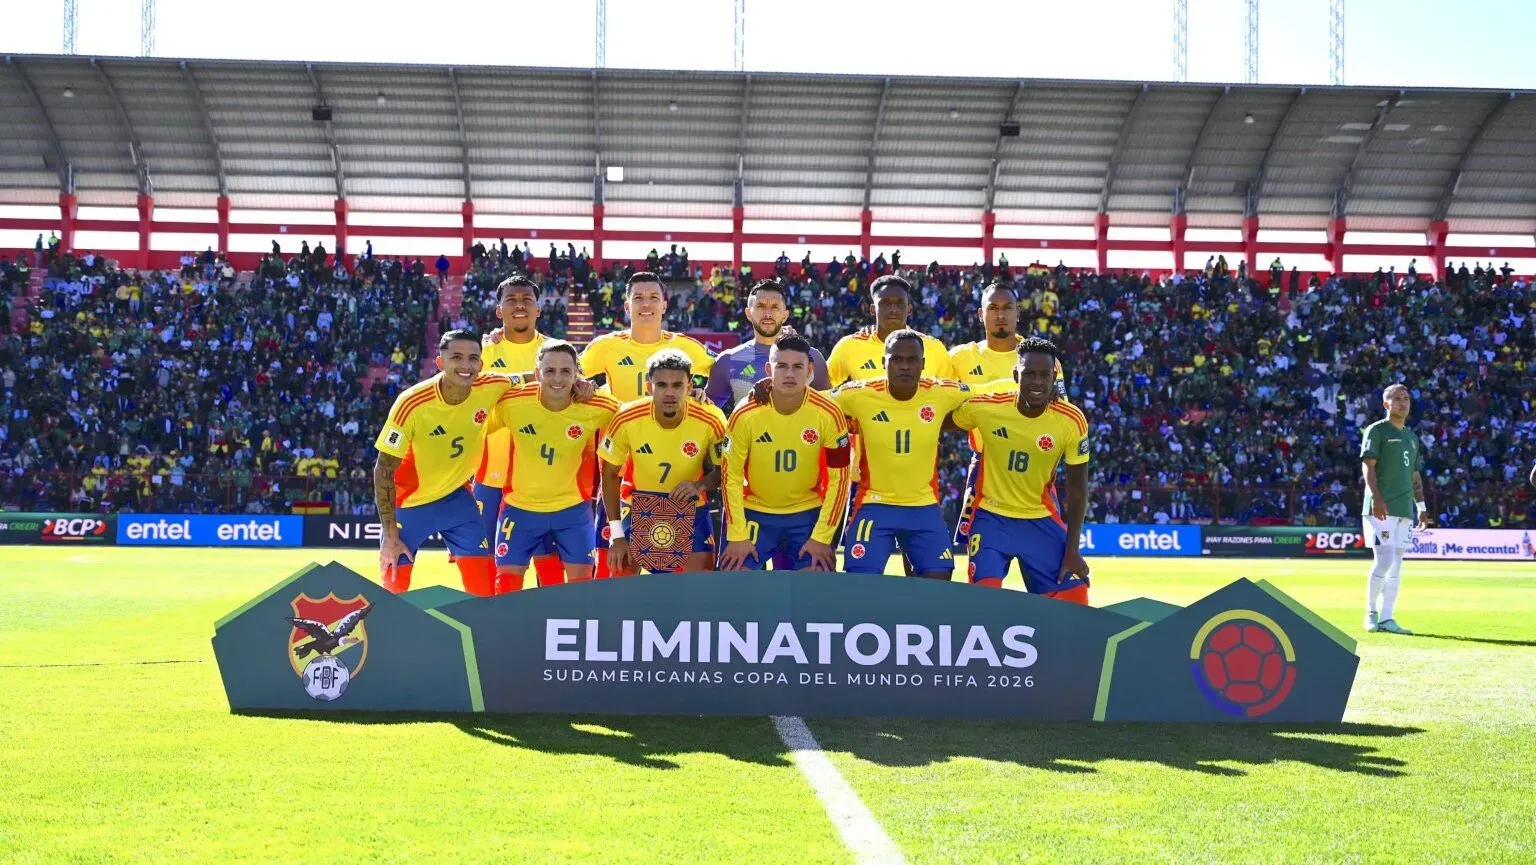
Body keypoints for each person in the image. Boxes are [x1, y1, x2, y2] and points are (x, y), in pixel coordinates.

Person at [579, 271, 715, 576]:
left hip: (673, 468)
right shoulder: (606, 346)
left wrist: (706, 392)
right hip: (621, 469)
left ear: (665, 305)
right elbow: (566, 373)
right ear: (626, 306)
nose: (646, 304)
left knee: (678, 575)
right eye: (638, 297)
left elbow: (719, 371)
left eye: (653, 297)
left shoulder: (686, 347)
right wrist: (584, 385)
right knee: (615, 568)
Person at [372, 330, 522, 597]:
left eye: (473, 358)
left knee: (484, 589)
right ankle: (388, 637)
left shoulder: (491, 385)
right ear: (440, 362)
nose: (465, 365)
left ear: (481, 364)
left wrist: (580, 383)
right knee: (394, 585)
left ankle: (485, 637)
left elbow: (535, 377)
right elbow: (383, 470)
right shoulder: (412, 403)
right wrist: (390, 536)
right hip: (410, 502)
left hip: (457, 499)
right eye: (456, 357)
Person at [950, 337, 1092, 604]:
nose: (1037, 381)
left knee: (1077, 602)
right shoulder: (986, 407)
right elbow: (938, 421)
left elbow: (1078, 489)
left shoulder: (1071, 421)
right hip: (991, 518)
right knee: (983, 602)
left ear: (1054, 376)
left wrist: (1072, 550)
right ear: (1016, 375)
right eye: (1029, 374)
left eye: (1045, 374)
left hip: (1039, 520)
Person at [830, 330, 969, 579]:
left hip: (922, 505)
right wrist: (769, 388)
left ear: (923, 364)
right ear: (884, 362)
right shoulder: (859, 394)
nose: (904, 366)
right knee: (860, 582)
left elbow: (987, 392)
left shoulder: (942, 392)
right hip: (875, 503)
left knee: (940, 583)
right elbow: (814, 400)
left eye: (912, 359)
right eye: (896, 359)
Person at [491, 341, 621, 592]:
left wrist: (694, 397)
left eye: (565, 371)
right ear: (537, 373)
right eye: (549, 371)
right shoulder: (512, 404)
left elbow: (636, 419)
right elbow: (475, 417)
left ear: (577, 375)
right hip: (520, 509)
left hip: (572, 511)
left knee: (581, 591)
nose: (557, 379)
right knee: (505, 590)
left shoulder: (597, 405)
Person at [718, 334, 851, 571]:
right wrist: (737, 534)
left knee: (816, 587)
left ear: (810, 370)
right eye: (782, 366)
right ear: (769, 369)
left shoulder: (830, 414)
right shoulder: (744, 414)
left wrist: (822, 537)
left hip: (806, 513)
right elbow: (731, 477)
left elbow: (839, 479)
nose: (789, 374)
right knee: (734, 584)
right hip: (756, 512)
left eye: (797, 367)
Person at [600, 350, 728, 575]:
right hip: (639, 506)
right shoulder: (626, 417)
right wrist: (617, 535)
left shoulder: (711, 418)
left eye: (677, 385)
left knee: (698, 592)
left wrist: (699, 486)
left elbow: (724, 470)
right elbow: (609, 474)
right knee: (622, 590)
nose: (670, 393)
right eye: (662, 385)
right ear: (650, 387)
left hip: (691, 508)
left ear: (689, 387)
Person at [477, 275, 565, 587]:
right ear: (498, 310)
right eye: (511, 300)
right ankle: (486, 624)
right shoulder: (482, 354)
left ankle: (548, 625)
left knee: (549, 563)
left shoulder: (556, 352)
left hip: (543, 474)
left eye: (527, 300)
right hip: (491, 472)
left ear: (539, 309)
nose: (519, 305)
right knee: (486, 559)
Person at [1359, 383, 1429, 635]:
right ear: (1386, 403)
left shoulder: (1411, 437)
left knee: (1397, 563)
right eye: (1397, 398)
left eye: (1406, 398)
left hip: (1404, 509)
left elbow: (1415, 475)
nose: (1403, 403)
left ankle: (1388, 618)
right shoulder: (1376, 430)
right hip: (1382, 508)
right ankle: (1370, 613)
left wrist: (1420, 506)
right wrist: (1376, 498)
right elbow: (1368, 467)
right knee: (1385, 559)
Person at [706, 279, 830, 412]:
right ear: (748, 313)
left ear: (785, 315)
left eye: (775, 307)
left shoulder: (812, 357)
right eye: (761, 306)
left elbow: (830, 412)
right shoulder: (728, 360)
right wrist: (694, 397)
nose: (768, 314)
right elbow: (706, 413)